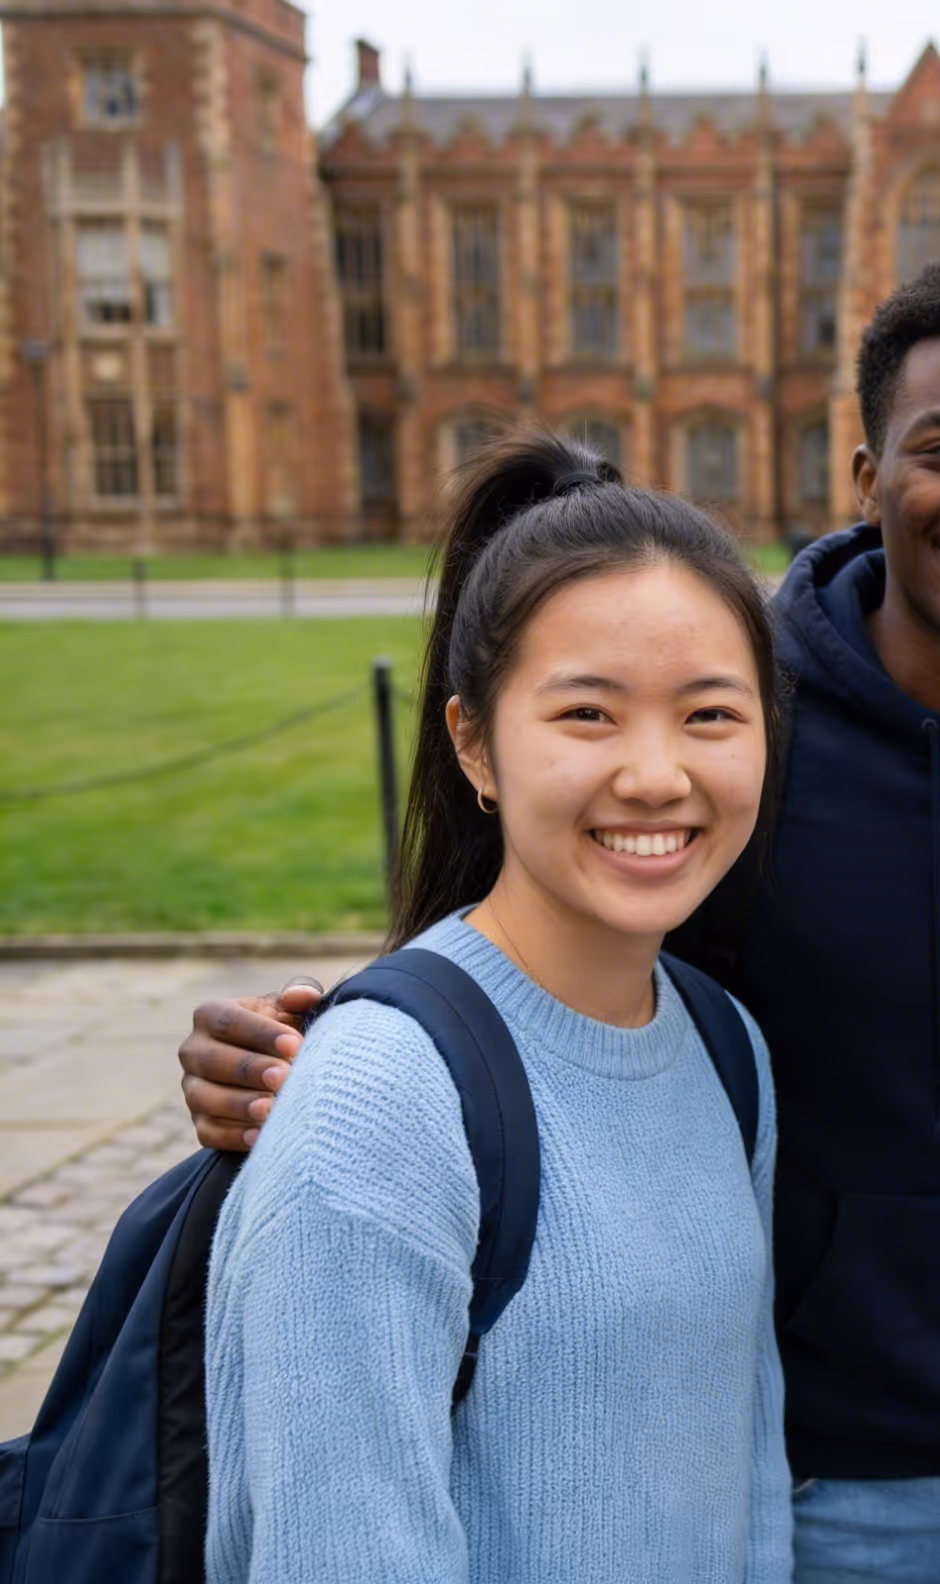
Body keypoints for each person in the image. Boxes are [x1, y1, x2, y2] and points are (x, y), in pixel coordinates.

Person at [178, 253, 940, 1581]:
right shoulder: (743, 739)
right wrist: (333, 1047)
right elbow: (540, 967)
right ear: (867, 479)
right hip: (821, 1468)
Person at [204, 432, 792, 1582]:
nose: (658, 774)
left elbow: (747, 1462)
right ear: (474, 741)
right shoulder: (380, 1106)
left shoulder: (728, 1048)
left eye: (711, 715)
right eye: (587, 715)